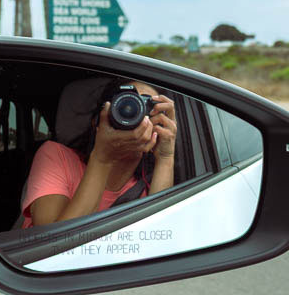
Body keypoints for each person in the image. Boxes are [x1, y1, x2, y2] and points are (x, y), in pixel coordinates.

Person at [17, 79, 177, 228]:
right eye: (123, 103)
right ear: (98, 120)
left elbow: (158, 235)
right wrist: (102, 158)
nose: (134, 112)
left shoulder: (150, 186)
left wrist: (165, 157)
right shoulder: (56, 156)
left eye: (146, 106)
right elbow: (50, 244)